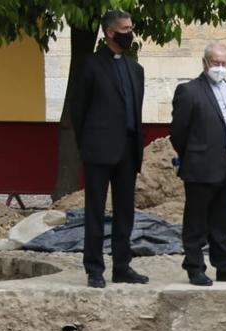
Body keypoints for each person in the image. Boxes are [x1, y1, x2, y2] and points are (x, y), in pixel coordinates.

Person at [69, 9, 148, 289]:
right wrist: (87, 144)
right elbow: (78, 110)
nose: (130, 33)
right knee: (95, 210)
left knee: (125, 211)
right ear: (110, 32)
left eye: (131, 28)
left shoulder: (135, 69)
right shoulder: (91, 66)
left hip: (128, 149)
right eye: (125, 29)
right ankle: (94, 268)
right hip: (99, 149)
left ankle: (122, 266)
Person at [169, 42, 226, 286]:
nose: (220, 67)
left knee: (222, 220)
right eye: (216, 63)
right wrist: (193, 154)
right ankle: (195, 267)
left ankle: (223, 265)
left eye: (225, 63)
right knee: (196, 220)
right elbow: (178, 132)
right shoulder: (189, 90)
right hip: (201, 165)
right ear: (205, 63)